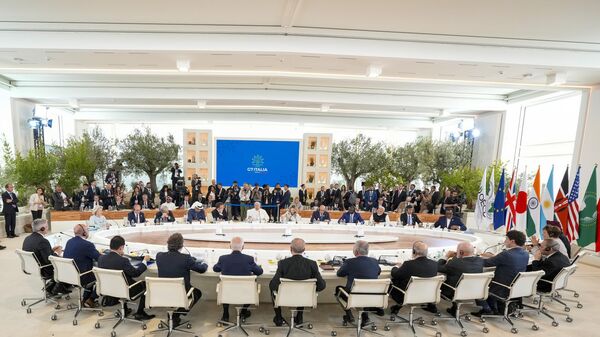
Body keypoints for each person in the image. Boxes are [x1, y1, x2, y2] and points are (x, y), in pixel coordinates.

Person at [269, 238, 326, 326]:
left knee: (272, 288)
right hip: (304, 298)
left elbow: (273, 285)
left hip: (285, 297)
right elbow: (322, 285)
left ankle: (279, 317)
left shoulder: (282, 263)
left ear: (290, 249)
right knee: (303, 288)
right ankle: (299, 317)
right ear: (304, 250)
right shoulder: (312, 264)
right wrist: (312, 290)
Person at [472, 230, 529, 317]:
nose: (504, 241)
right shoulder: (525, 254)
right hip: (514, 286)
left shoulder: (506, 254)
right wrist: (496, 257)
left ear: (512, 241)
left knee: (478, 284)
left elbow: (487, 263)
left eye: (506, 239)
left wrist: (472, 258)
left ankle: (487, 309)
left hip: (501, 287)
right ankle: (493, 307)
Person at [98, 236, 154, 320]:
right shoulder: (123, 261)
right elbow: (136, 273)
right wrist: (145, 261)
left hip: (108, 289)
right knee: (146, 285)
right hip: (125, 290)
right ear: (121, 247)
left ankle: (125, 309)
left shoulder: (101, 258)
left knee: (123, 281)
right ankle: (140, 313)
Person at [156, 233, 207, 326]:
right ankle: (177, 314)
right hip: (182, 293)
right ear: (181, 245)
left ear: (168, 244)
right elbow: (202, 269)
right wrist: (205, 263)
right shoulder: (186, 258)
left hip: (164, 293)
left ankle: (174, 314)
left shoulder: (159, 256)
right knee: (197, 293)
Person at [213, 237, 263, 322]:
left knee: (224, 286)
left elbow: (215, 269)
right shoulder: (249, 259)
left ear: (230, 246)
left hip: (227, 293)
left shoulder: (223, 258)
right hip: (245, 293)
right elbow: (259, 272)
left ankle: (225, 314)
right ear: (243, 247)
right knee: (253, 284)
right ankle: (243, 311)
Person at [336, 240, 382, 325]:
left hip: (353, 296)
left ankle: (349, 315)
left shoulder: (349, 262)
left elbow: (339, 274)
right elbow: (378, 272)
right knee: (366, 290)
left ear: (356, 251)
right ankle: (365, 316)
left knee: (338, 289)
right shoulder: (375, 261)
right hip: (371, 296)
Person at [390, 241, 439, 314]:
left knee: (391, 282)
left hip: (407, 295)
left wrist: (396, 266)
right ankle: (431, 306)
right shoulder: (434, 264)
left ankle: (398, 305)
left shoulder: (408, 264)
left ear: (414, 251)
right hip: (427, 295)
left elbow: (395, 274)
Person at [437, 241, 484, 316]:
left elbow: (438, 267)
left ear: (461, 252)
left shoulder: (455, 263)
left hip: (454, 292)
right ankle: (454, 308)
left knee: (436, 283)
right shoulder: (480, 261)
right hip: (472, 292)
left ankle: (431, 306)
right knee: (455, 280)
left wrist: (446, 256)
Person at [63, 223, 101, 307]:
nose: (88, 232)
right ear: (84, 233)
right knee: (101, 275)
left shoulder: (69, 242)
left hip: (68, 276)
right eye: (87, 230)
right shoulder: (87, 245)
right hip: (81, 276)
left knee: (88, 271)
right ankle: (91, 299)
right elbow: (99, 258)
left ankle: (85, 300)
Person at [22, 219, 63, 292]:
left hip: (32, 267)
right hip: (44, 269)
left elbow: (38, 251)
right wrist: (57, 253)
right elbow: (49, 260)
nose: (48, 228)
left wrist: (51, 250)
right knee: (67, 265)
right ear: (42, 228)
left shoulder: (27, 238)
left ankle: (51, 287)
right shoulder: (43, 241)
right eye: (47, 226)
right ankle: (57, 289)